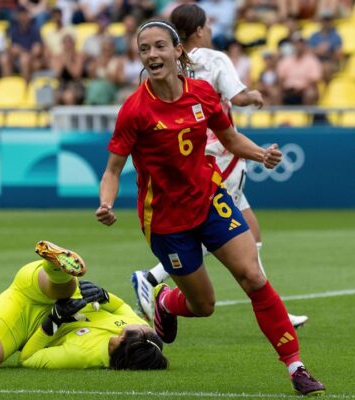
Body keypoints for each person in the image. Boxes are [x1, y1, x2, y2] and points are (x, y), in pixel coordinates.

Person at [95, 19, 325, 396]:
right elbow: (112, 170)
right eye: (145, 49)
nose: (152, 55)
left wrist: (260, 153)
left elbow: (230, 138)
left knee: (253, 277)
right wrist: (106, 203)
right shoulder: (135, 111)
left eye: (159, 47)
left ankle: (295, 367)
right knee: (204, 306)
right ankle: (167, 303)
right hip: (167, 221)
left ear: (177, 50)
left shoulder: (202, 93)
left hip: (211, 200)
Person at [130, 3, 308, 330]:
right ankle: (152, 276)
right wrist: (255, 95)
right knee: (212, 226)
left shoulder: (172, 61)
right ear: (199, 30)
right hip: (219, 157)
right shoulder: (214, 59)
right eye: (207, 25)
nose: (210, 30)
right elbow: (237, 98)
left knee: (250, 229)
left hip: (193, 152)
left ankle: (270, 301)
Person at [0, 241, 168, 370]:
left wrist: (52, 323)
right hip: (40, 287)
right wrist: (106, 297)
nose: (123, 329)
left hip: (22, 315)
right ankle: (55, 265)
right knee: (67, 289)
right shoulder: (140, 331)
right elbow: (122, 311)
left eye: (120, 338)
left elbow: (29, 358)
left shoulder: (83, 356)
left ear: (121, 355)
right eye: (133, 329)